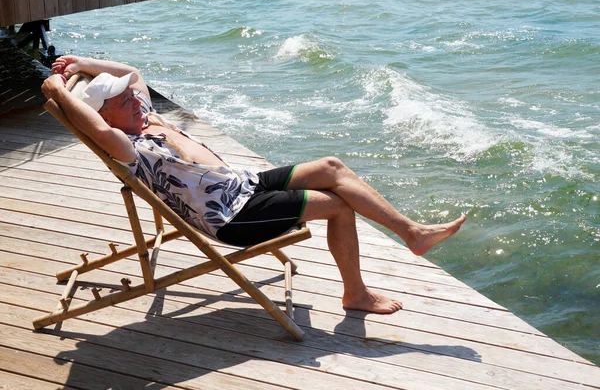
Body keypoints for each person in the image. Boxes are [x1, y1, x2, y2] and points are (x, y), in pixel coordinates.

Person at [42, 56, 466, 315]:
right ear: (108, 116)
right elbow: (96, 129)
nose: (135, 99)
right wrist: (58, 89)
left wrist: (79, 64)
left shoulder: (145, 116)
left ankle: (411, 232)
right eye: (123, 102)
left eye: (133, 98)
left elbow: (133, 73)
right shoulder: (128, 145)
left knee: (333, 167)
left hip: (243, 185)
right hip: (232, 216)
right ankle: (356, 294)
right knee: (337, 205)